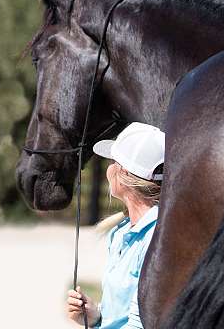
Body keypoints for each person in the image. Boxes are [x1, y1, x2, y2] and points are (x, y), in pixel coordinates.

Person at [66, 122, 165, 329]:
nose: (108, 168)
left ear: (123, 173)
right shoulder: (120, 232)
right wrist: (97, 315)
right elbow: (125, 312)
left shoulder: (156, 237)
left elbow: (141, 324)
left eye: (112, 161)